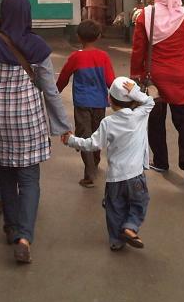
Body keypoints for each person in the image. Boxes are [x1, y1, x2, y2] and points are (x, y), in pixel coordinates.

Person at [0, 0, 71, 264]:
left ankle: (11, 228)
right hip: (29, 122)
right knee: (29, 179)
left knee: (6, 177)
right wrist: (62, 126)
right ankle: (24, 237)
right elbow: (50, 90)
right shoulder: (38, 47)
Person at [130, 0, 184, 186]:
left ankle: (161, 161)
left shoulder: (146, 15)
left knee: (155, 120)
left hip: (155, 78)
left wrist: (136, 74)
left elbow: (138, 50)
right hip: (181, 75)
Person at [62, 78, 153, 251]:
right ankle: (130, 226)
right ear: (133, 101)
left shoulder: (107, 123)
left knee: (114, 208)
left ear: (109, 100)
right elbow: (149, 101)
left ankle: (116, 241)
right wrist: (135, 92)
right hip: (136, 175)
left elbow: (92, 144)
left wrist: (71, 141)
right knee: (140, 201)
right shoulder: (139, 115)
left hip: (115, 178)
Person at [56, 19, 115, 187]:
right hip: (100, 103)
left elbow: (63, 79)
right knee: (97, 135)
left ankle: (89, 174)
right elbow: (111, 82)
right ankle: (94, 162)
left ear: (78, 37)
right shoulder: (103, 57)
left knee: (84, 136)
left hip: (82, 103)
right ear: (98, 37)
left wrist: (53, 94)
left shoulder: (75, 57)